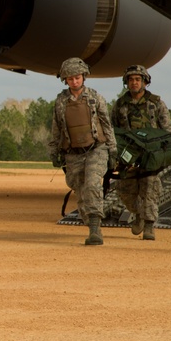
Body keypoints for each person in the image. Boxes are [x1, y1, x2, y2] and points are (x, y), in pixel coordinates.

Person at [48, 57, 116, 245]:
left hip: (97, 149)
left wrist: (113, 150)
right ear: (65, 80)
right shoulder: (61, 101)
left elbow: (106, 124)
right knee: (80, 189)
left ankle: (95, 229)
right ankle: (90, 221)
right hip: (73, 153)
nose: (74, 81)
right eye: (70, 79)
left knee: (93, 185)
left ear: (83, 77)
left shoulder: (95, 98)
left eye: (77, 77)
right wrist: (54, 151)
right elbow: (56, 128)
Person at [111, 65, 171, 240]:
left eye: (138, 79)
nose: (134, 83)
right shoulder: (120, 105)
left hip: (150, 155)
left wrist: (166, 153)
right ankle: (138, 214)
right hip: (128, 155)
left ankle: (149, 225)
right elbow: (113, 130)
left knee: (150, 189)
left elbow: (168, 131)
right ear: (126, 82)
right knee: (125, 191)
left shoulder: (156, 103)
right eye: (131, 80)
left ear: (145, 82)